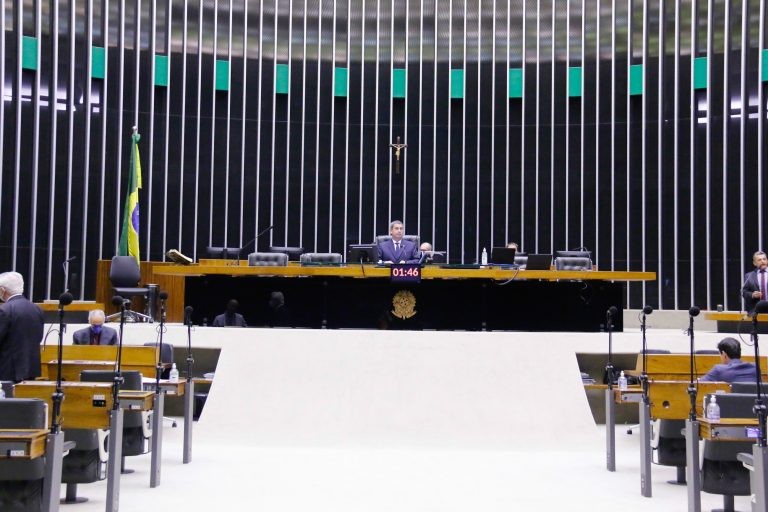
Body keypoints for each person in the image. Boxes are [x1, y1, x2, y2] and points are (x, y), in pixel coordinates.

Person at [0, 272, 44, 382]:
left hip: (8, 369)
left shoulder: (4, 310)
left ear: (2, 290)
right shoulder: (36, 309)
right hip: (30, 368)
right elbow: (39, 337)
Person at [742, 250, 768, 315]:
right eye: (759, 260)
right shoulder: (749, 276)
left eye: (764, 259)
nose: (762, 261)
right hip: (756, 311)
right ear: (754, 263)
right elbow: (744, 292)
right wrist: (753, 295)